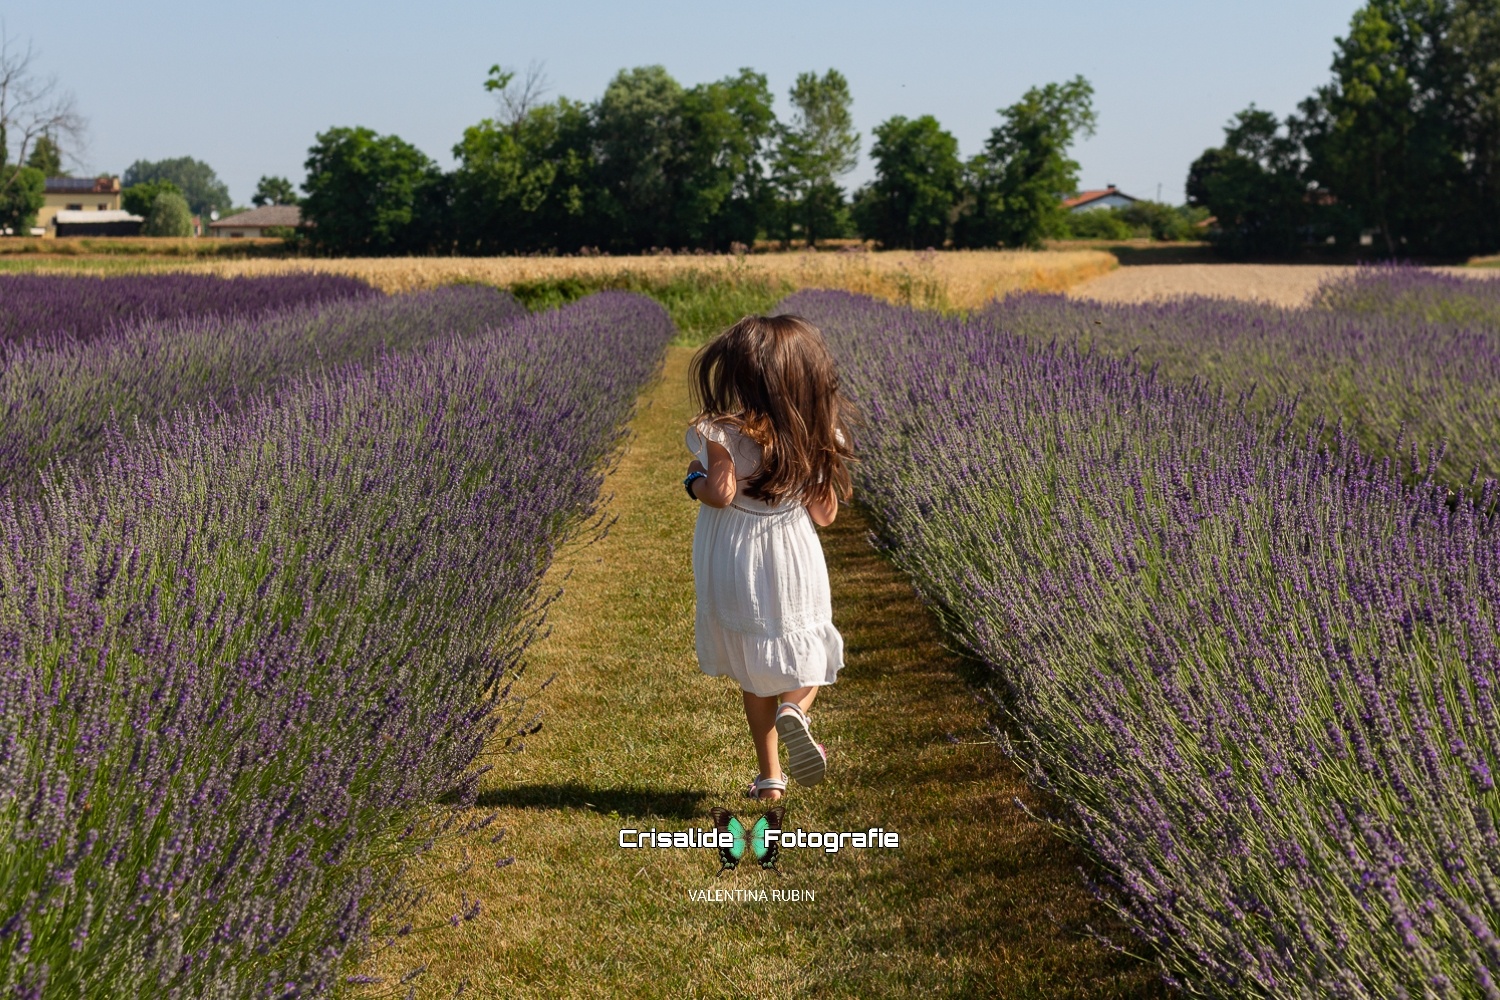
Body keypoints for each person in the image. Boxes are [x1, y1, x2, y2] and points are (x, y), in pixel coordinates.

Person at [683, 313, 856, 802]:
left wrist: (694, 478)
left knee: (754, 666)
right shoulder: (815, 431)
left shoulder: (722, 431)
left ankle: (771, 777)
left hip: (739, 556)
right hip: (792, 554)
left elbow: (720, 494)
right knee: (808, 649)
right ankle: (796, 710)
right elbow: (824, 514)